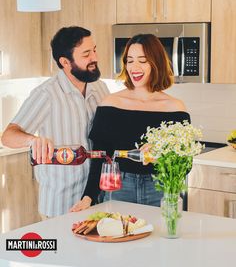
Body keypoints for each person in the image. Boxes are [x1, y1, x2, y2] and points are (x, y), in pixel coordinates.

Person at [70, 33, 191, 212]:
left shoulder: (174, 107)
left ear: (156, 63)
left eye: (142, 60)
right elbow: (100, 157)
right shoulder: (110, 104)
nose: (134, 67)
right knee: (119, 236)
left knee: (160, 239)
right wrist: (87, 198)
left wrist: (163, 155)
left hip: (160, 188)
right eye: (130, 60)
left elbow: (186, 163)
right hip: (118, 187)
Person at [1, 26, 109, 218]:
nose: (95, 57)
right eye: (86, 54)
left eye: (94, 49)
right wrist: (32, 141)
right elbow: (8, 136)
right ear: (65, 62)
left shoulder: (100, 88)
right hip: (61, 205)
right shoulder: (46, 95)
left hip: (96, 199)